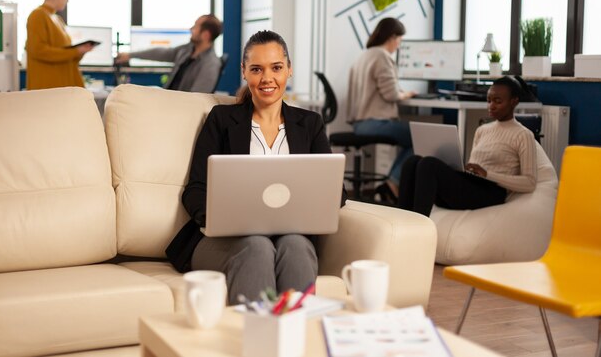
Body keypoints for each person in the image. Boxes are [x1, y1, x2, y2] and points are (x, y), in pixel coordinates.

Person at [165, 30, 346, 304]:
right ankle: (255, 341)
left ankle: (297, 339)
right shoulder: (222, 119)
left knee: (296, 246)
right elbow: (195, 190)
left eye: (276, 68)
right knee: (257, 246)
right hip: (224, 241)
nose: (267, 78)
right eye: (256, 69)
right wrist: (216, 220)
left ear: (289, 70)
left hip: (291, 237)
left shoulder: (310, 124)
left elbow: (336, 192)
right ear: (244, 72)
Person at [398, 77, 537, 217]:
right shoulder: (482, 130)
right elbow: (473, 168)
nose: (491, 106)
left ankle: (419, 228)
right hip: (472, 187)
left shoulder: (523, 135)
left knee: (428, 164)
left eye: (498, 101)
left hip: (492, 193)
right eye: (489, 101)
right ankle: (402, 222)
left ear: (514, 101)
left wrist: (488, 174)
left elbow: (530, 183)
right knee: (413, 162)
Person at [346, 17, 417, 203]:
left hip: (360, 124)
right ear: (392, 37)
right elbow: (391, 94)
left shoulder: (364, 55)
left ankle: (391, 184)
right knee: (421, 136)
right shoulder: (382, 56)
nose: (398, 46)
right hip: (375, 123)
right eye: (399, 41)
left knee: (414, 136)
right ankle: (392, 183)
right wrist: (406, 94)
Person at [115, 15, 223, 93]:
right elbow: (161, 53)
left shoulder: (211, 64)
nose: (191, 29)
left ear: (205, 35)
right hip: (167, 99)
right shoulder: (187, 50)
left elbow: (196, 99)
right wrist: (130, 55)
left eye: (195, 27)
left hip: (178, 109)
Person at [25, 0, 96, 90]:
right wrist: (75, 52)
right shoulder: (37, 15)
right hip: (48, 90)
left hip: (62, 87)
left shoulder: (58, 20)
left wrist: (81, 51)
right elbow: (38, 50)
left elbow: (66, 56)